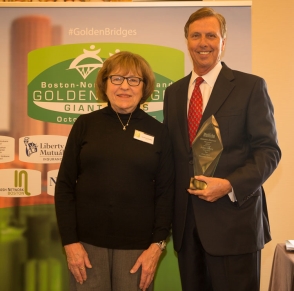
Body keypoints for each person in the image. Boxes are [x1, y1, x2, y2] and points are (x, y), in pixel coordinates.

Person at [163, 7, 281, 291]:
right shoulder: (174, 93)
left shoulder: (250, 87)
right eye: (196, 35)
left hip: (234, 225)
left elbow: (268, 151)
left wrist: (229, 184)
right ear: (187, 41)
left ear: (223, 42)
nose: (203, 42)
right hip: (187, 229)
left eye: (211, 36)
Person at [55, 51, 174, 291]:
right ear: (105, 84)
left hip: (138, 249)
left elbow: (166, 193)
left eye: (133, 80)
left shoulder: (159, 132)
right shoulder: (85, 125)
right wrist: (70, 243)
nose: (125, 87)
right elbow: (65, 186)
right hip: (86, 248)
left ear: (144, 87)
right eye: (117, 78)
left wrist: (156, 247)